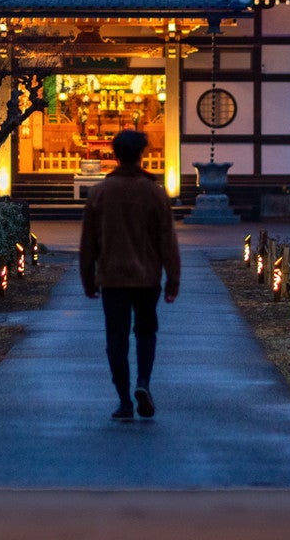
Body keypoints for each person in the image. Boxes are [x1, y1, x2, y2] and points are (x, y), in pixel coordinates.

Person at [79, 129, 181, 421]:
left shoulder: (100, 192)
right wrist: (173, 278)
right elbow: (167, 240)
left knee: (116, 337)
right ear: (142, 154)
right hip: (147, 276)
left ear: (114, 154)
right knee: (146, 331)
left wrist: (88, 277)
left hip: (112, 276)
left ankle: (124, 400)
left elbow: (88, 241)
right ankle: (143, 383)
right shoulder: (154, 192)